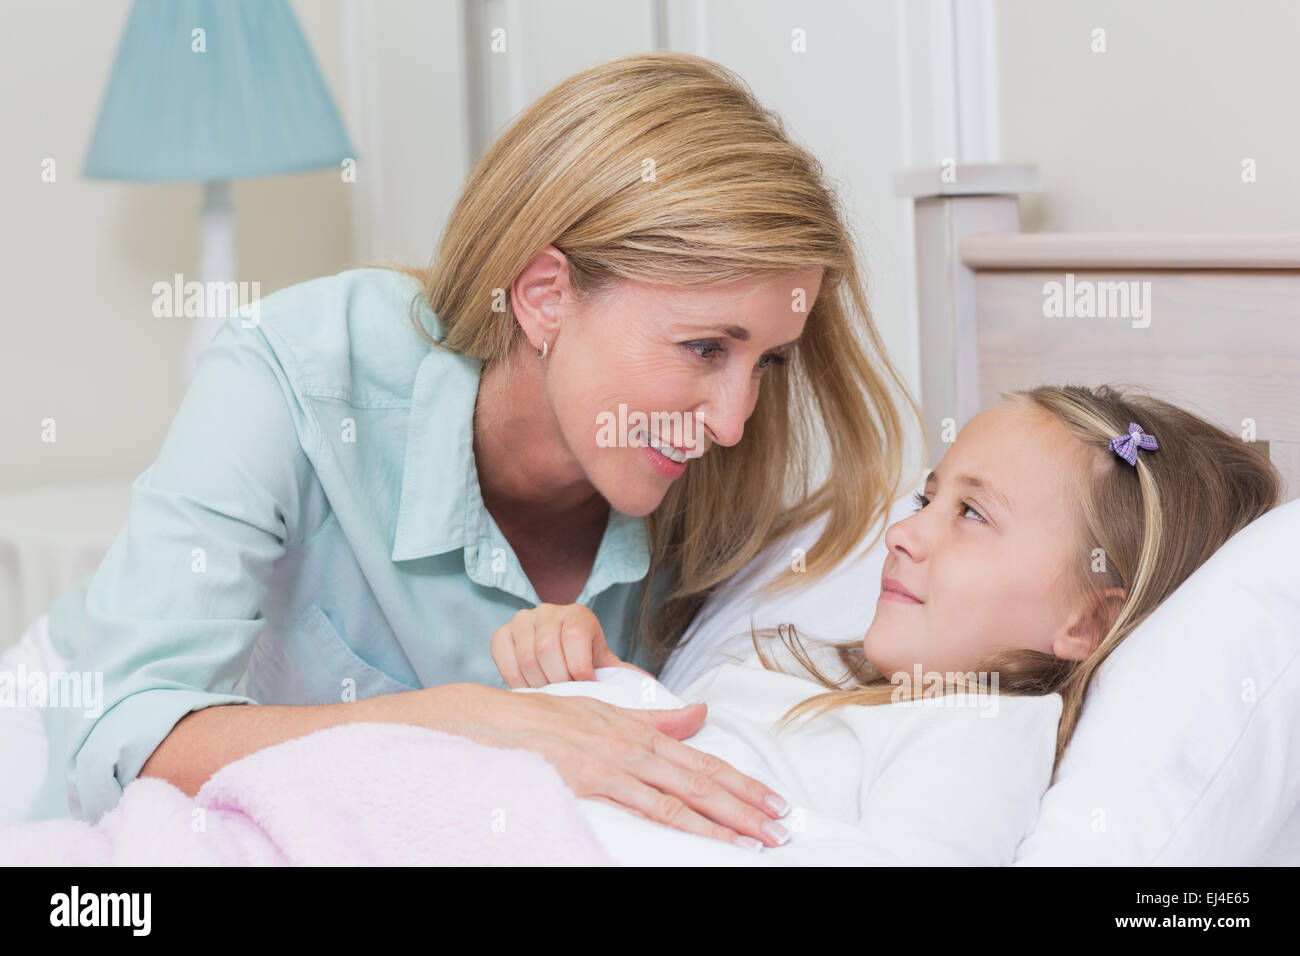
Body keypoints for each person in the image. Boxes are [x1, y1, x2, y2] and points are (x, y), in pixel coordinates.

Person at [28, 52, 917, 855]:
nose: (733, 420)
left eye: (767, 362)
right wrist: (462, 725)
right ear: (544, 296)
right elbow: (118, 736)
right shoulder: (295, 374)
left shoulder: (719, 484)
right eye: (702, 350)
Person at [491, 384, 1283, 860]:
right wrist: (591, 673)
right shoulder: (827, 672)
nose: (905, 532)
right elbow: (695, 746)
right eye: (926, 497)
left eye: (971, 513)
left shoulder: (979, 730)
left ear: (1084, 620)